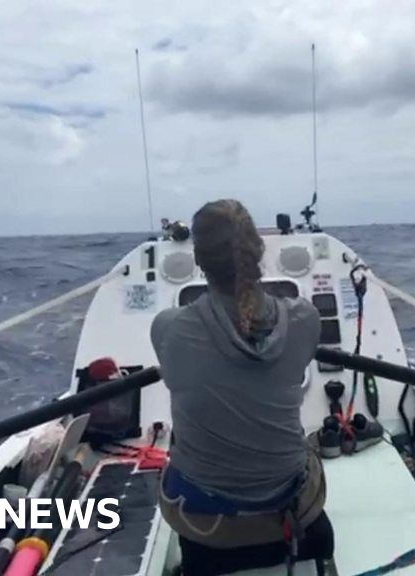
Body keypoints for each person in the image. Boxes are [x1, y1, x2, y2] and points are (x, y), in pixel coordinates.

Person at [150, 199, 330, 571]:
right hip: (290, 503)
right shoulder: (306, 318)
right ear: (258, 251)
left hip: (207, 524)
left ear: (199, 259)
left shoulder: (167, 329)